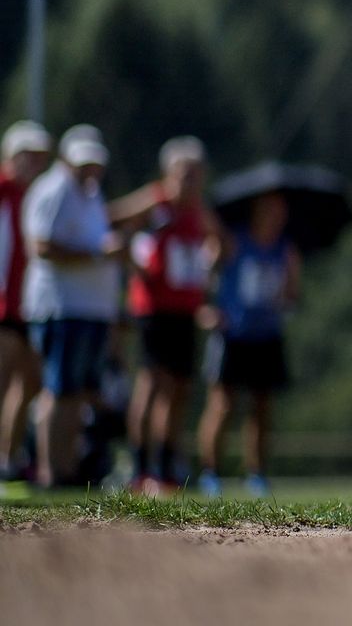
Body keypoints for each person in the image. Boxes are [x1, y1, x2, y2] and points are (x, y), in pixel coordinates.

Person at [112, 136, 220, 492]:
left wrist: (210, 262)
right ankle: (140, 467)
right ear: (168, 174)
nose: (190, 182)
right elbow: (112, 220)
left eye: (196, 174)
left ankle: (167, 468)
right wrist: (133, 258)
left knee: (181, 389)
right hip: (153, 309)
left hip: (185, 312)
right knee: (152, 383)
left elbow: (222, 243)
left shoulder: (197, 212)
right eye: (183, 174)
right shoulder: (154, 202)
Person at [21, 126, 125, 487]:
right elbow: (43, 247)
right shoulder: (53, 190)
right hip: (62, 306)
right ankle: (51, 471)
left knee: (76, 393)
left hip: (88, 308)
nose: (89, 169)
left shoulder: (90, 194)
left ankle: (67, 469)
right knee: (58, 389)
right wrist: (97, 254)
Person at [194, 190, 300, 497]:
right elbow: (203, 274)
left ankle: (257, 474)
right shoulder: (232, 241)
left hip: (267, 334)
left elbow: (292, 295)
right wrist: (205, 308)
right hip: (232, 333)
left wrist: (289, 288)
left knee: (262, 408)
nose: (276, 218)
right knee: (223, 405)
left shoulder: (285, 249)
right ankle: (210, 472)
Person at [0, 121, 53, 480]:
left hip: (27, 304)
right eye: (28, 157)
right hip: (4, 304)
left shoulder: (35, 197)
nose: (35, 165)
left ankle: (8, 457)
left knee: (30, 380)